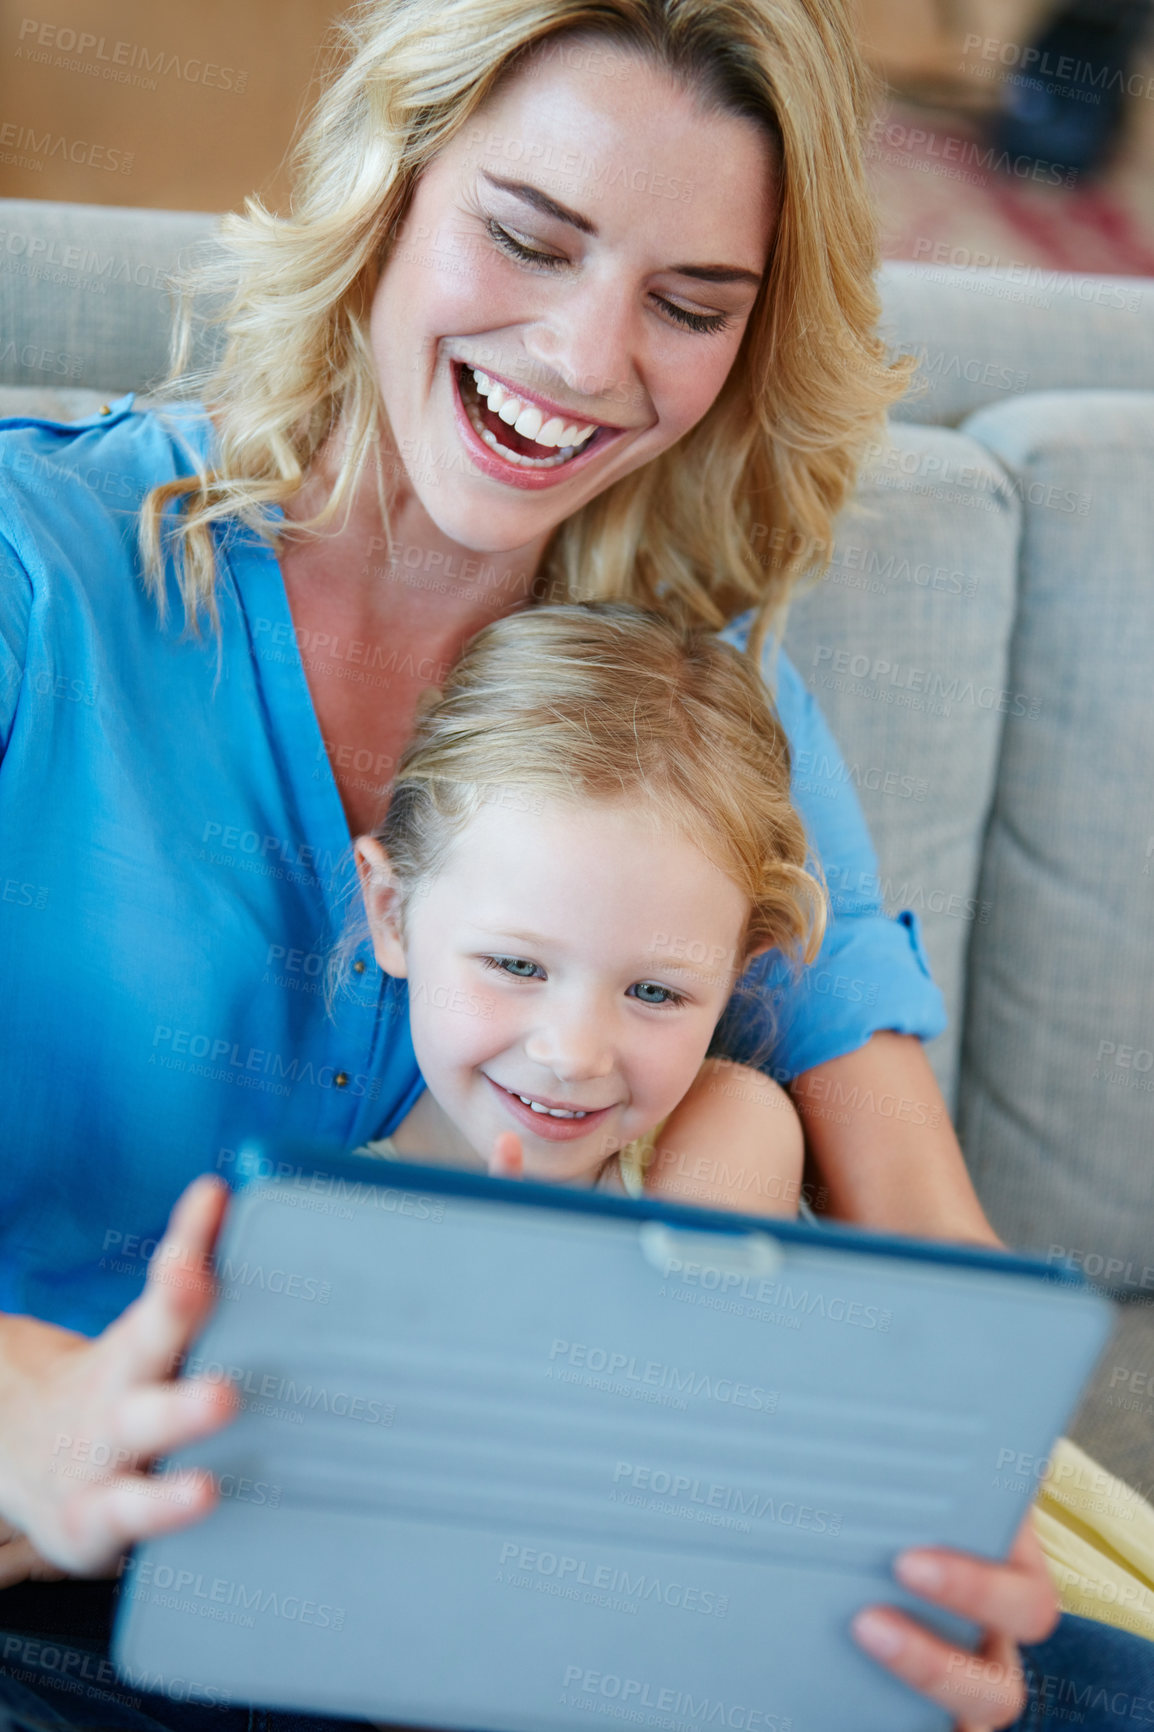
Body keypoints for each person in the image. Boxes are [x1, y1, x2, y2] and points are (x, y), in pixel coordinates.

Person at [0, 0, 1136, 1724]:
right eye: (525, 239)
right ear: (384, 189)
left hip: (551, 1604)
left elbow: (936, 1264)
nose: (590, 359)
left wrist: (949, 1541)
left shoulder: (690, 697)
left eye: (690, 306)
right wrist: (50, 1420)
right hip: (75, 1592)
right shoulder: (41, 587)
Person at [350, 599, 824, 1209]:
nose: (575, 1056)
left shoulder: (725, 1132)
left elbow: (677, 1305)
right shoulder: (321, 1224)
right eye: (518, 966)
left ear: (737, 972)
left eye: (655, 992)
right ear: (392, 913)